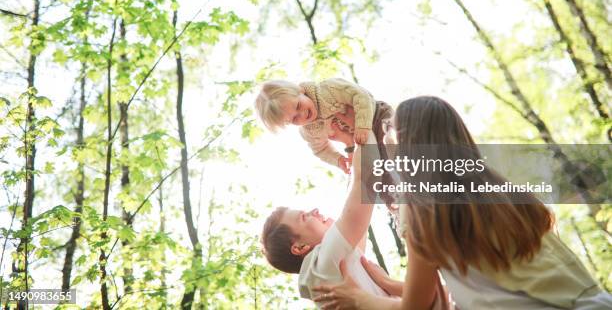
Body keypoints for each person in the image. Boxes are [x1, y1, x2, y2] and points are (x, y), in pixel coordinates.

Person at [314, 96, 612, 309]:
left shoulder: (421, 206)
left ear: (406, 140)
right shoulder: (503, 191)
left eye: (389, 128)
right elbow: (483, 282)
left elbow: (415, 307)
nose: (385, 135)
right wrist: (391, 285)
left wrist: (360, 299)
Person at [260, 109, 393, 308]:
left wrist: (350, 145)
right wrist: (362, 128)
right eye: (304, 217)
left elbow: (357, 203)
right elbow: (364, 183)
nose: (314, 210)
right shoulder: (325, 262)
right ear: (300, 247)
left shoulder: (331, 270)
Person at [254, 78, 380, 173]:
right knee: (372, 169)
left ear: (300, 91)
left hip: (376, 115)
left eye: (298, 106)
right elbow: (321, 149)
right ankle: (390, 197)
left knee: (390, 141)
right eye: (294, 119)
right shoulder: (309, 131)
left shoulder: (327, 91)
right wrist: (338, 160)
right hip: (362, 140)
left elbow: (359, 95)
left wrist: (362, 125)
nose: (302, 114)